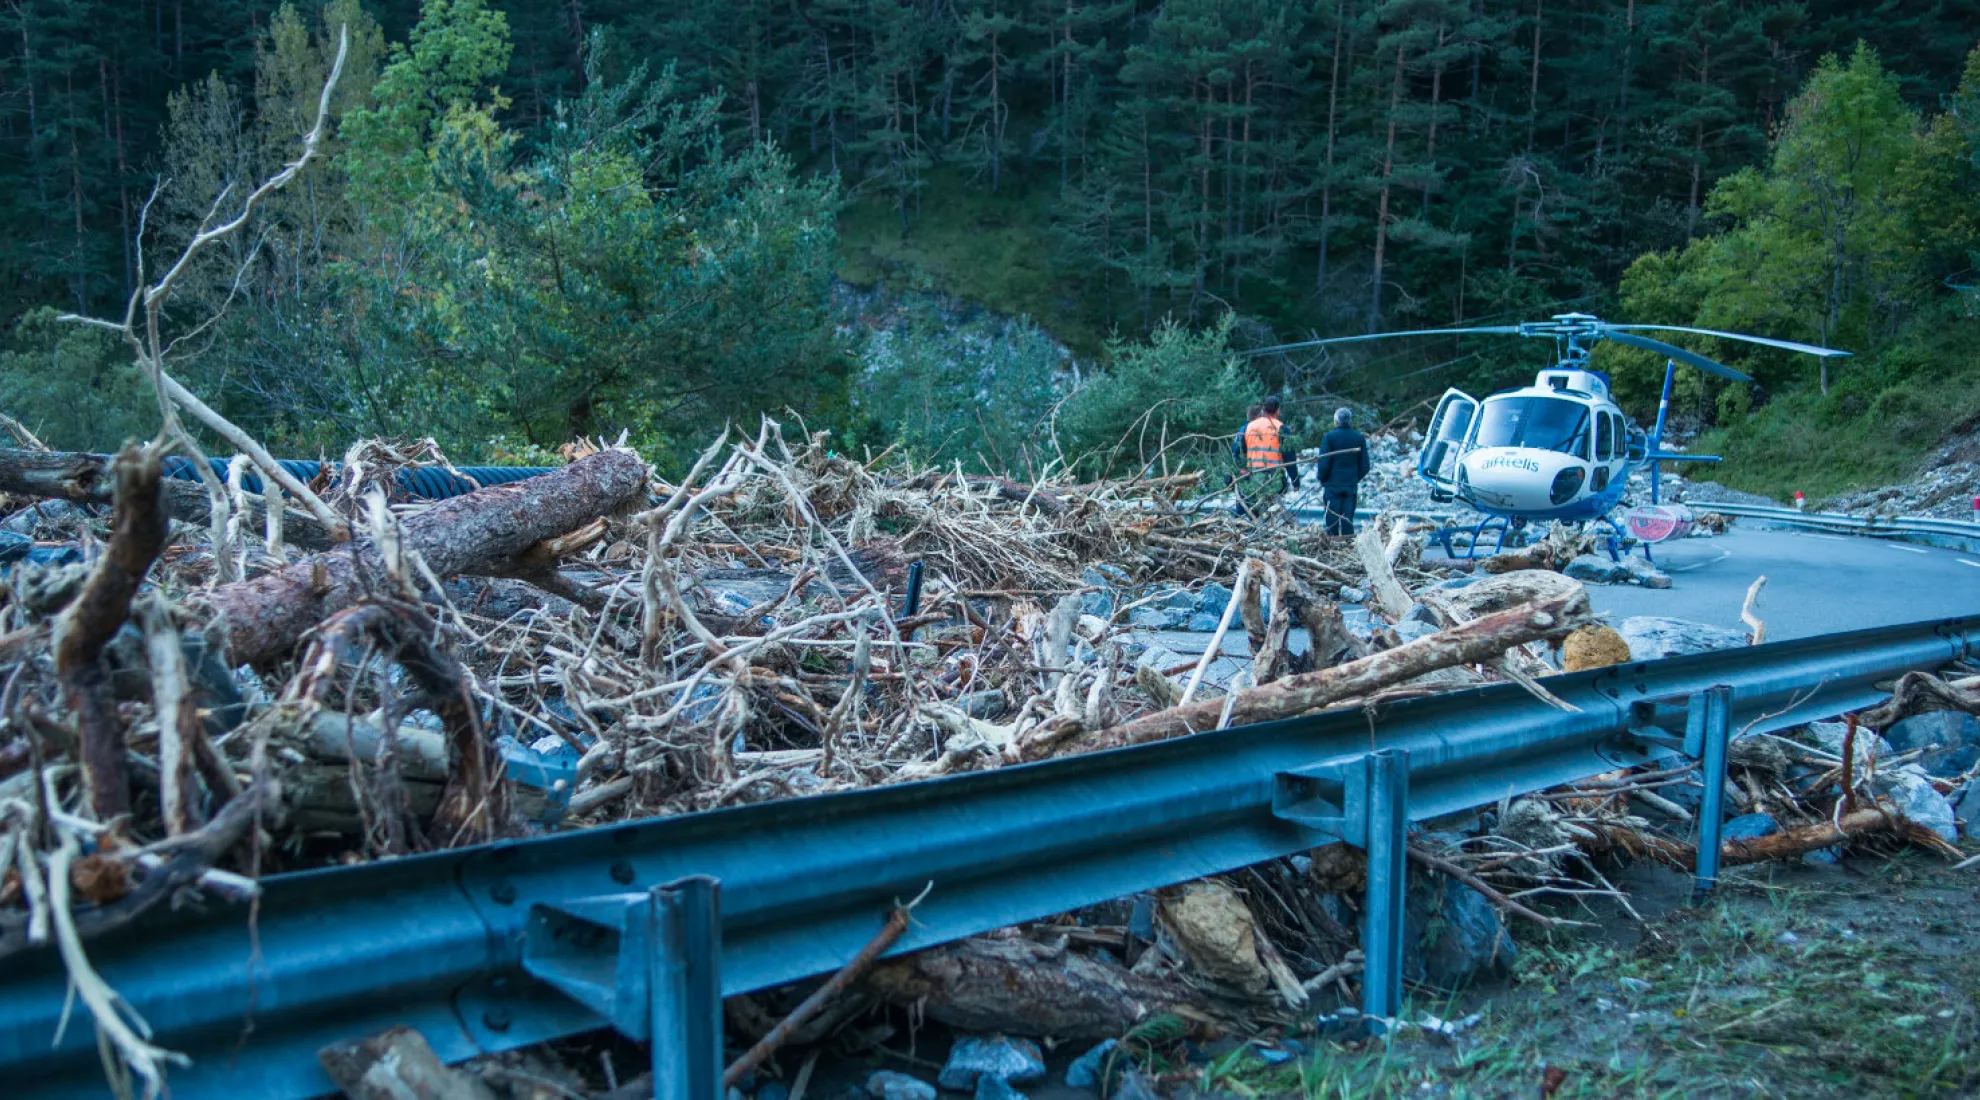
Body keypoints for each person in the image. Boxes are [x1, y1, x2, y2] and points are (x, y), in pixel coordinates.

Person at [1315, 406, 1370, 537]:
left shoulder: (1329, 437)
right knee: (1347, 521)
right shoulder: (1358, 438)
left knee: (1331, 522)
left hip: (1332, 485)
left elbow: (1324, 463)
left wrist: (1322, 478)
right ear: (1350, 421)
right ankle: (1348, 547)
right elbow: (1365, 465)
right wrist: (1355, 478)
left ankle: (1332, 551)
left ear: (1336, 421)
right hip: (1350, 485)